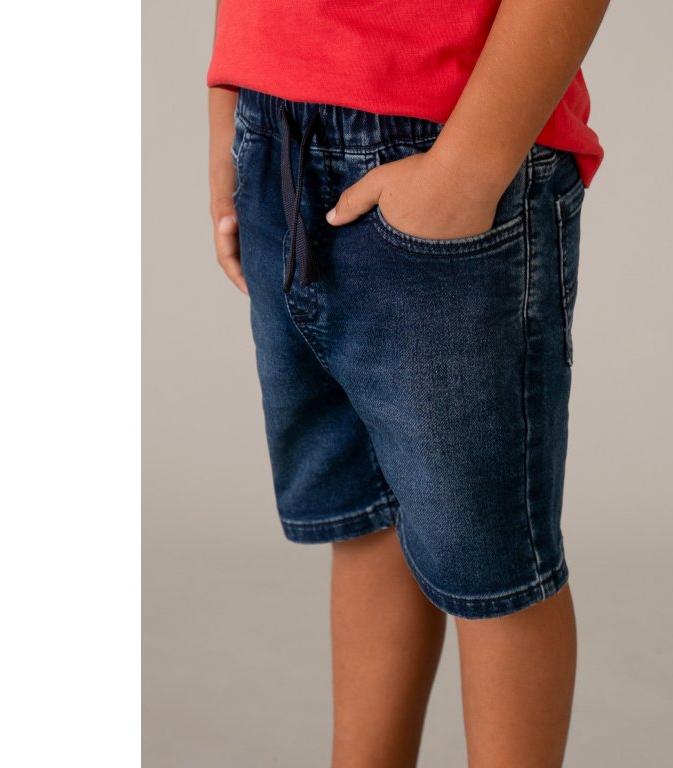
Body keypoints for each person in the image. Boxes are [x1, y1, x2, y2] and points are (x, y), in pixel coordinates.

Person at [207, 0, 608, 765]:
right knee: (366, 518)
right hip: (275, 126)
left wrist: (467, 169)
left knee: (494, 566)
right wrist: (228, 96)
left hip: (445, 126)